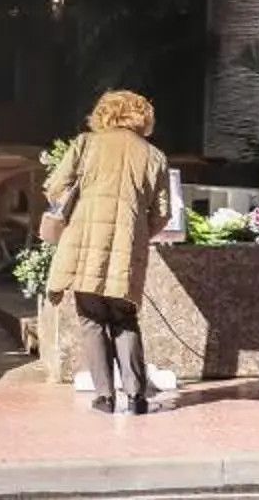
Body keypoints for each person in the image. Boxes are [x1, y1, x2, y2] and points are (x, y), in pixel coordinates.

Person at [42, 88, 173, 414]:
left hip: (83, 243)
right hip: (127, 249)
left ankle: (104, 396)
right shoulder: (154, 156)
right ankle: (136, 396)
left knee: (90, 318)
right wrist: (142, 234)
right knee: (124, 318)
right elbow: (163, 213)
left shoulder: (86, 144)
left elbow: (55, 186)